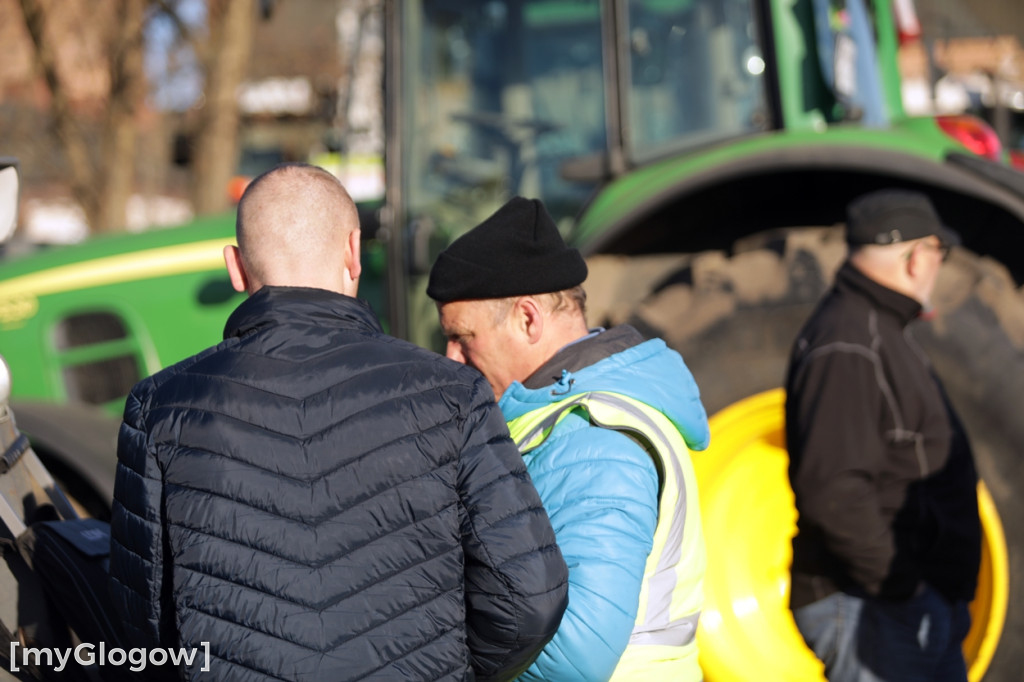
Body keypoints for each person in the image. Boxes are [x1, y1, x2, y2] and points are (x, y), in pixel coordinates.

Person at [108, 164, 569, 681]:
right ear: (353, 251)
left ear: (236, 268)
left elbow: (140, 618)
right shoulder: (453, 393)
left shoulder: (161, 406)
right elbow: (529, 599)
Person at [426, 196, 711, 682]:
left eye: (463, 337)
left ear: (528, 318)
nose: (452, 359)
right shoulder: (563, 420)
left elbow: (576, 651)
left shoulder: (594, 439)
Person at [785, 188, 982, 681]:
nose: (940, 266)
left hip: (901, 602)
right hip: (873, 606)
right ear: (918, 257)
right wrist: (904, 589)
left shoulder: (879, 331)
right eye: (940, 252)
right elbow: (833, 489)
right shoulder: (849, 343)